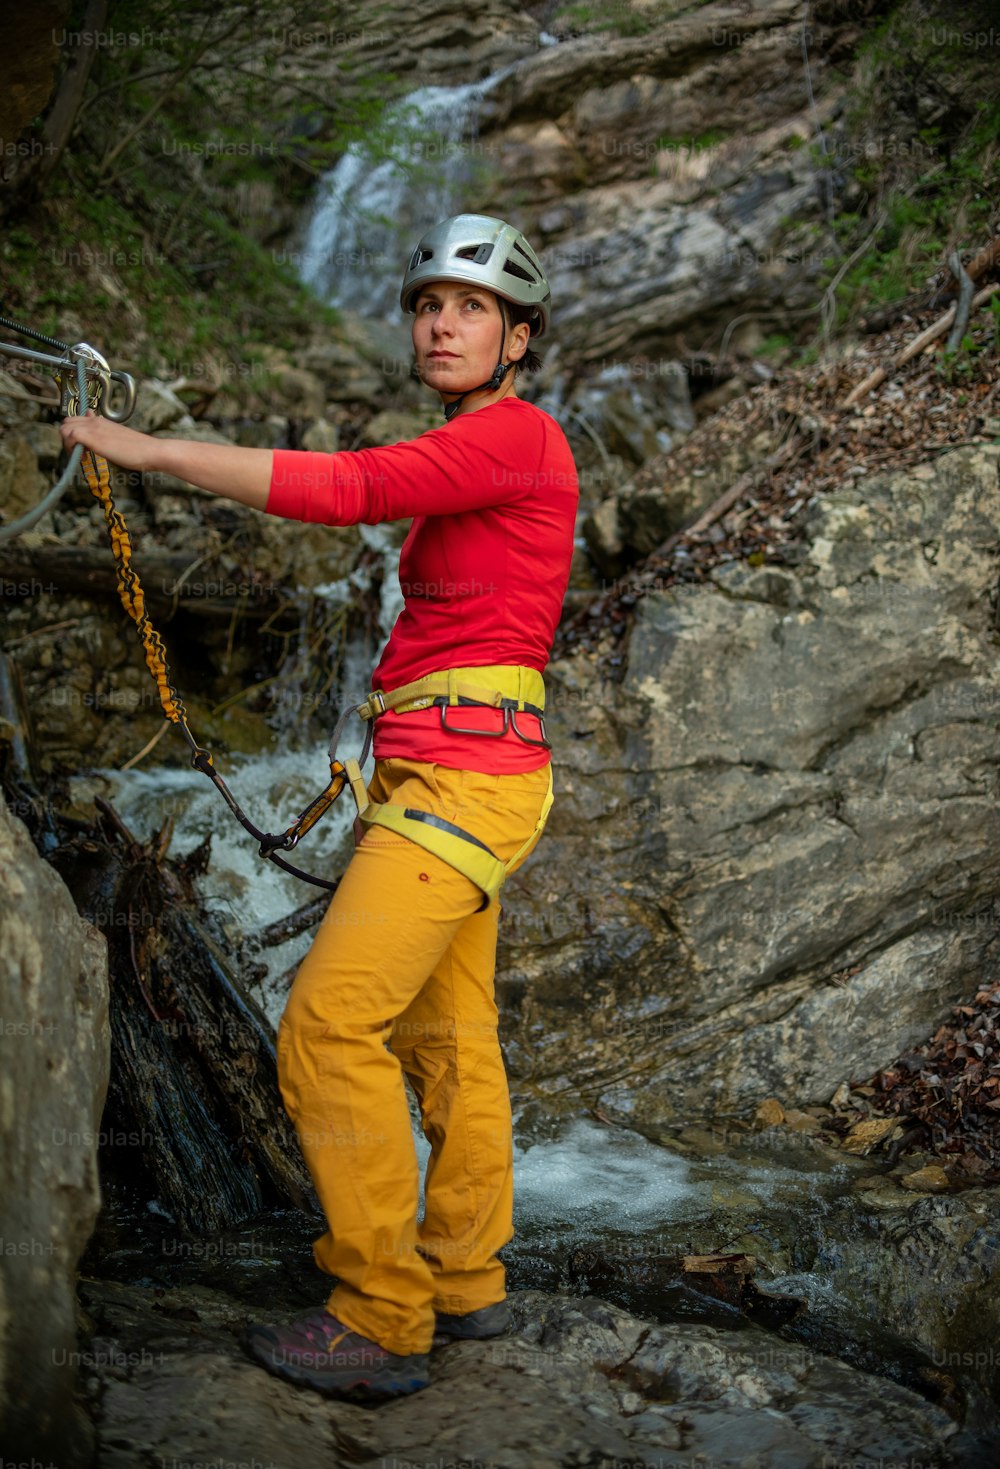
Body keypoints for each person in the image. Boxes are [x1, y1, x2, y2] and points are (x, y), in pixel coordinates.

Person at [61, 213, 579, 1400]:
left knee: (327, 1026)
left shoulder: (516, 436)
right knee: (446, 1040)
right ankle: (465, 1277)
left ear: (519, 338)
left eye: (471, 309)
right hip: (448, 765)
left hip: (467, 775)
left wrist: (145, 450)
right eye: (427, 306)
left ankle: (382, 1310)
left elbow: (345, 489)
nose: (441, 323)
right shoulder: (485, 449)